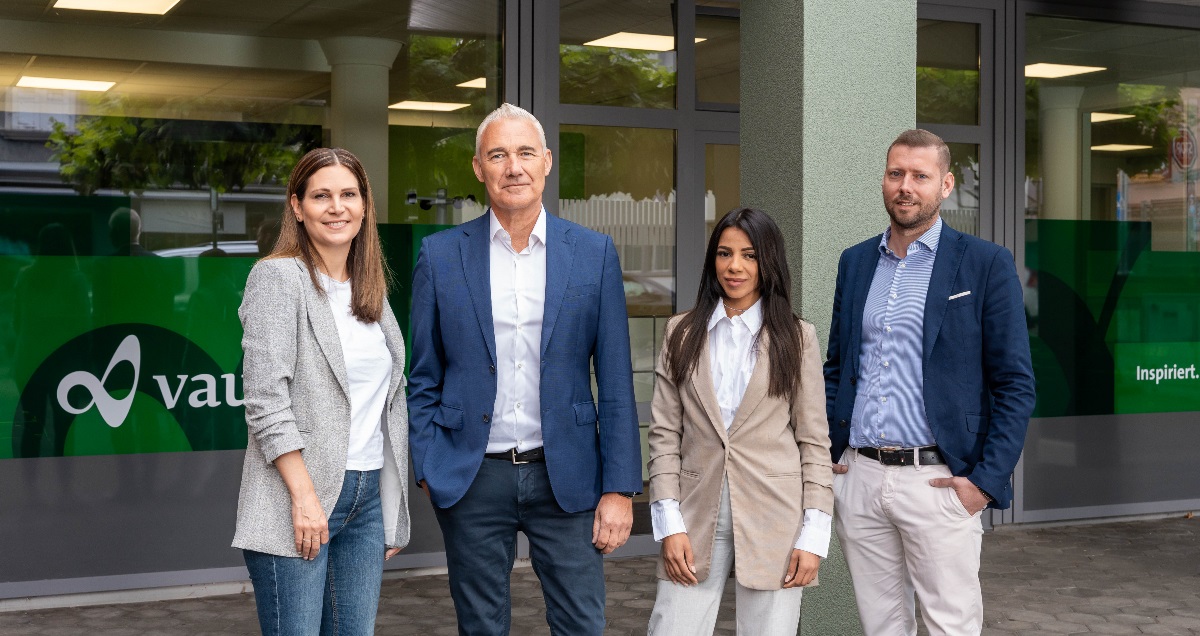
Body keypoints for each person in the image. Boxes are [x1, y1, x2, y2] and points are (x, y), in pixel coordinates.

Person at [407, 103, 643, 636]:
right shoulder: (440, 256)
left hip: (569, 476)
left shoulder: (592, 253)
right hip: (473, 475)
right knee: (481, 626)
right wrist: (428, 462)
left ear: (546, 163)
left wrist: (619, 488)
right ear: (478, 167)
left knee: (582, 623)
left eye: (524, 153)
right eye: (498, 154)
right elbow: (422, 374)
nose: (513, 166)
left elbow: (615, 379)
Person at [824, 129, 1036, 635]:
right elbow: (837, 365)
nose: (905, 186)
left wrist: (983, 483)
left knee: (950, 624)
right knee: (882, 625)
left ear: (945, 185)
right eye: (896, 173)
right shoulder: (856, 262)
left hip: (938, 480)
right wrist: (832, 454)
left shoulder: (984, 263)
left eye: (920, 176)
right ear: (884, 181)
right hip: (861, 477)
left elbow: (1015, 383)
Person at [232, 147, 411, 636]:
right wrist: (306, 497)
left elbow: (389, 402)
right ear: (297, 206)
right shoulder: (277, 278)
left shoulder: (369, 288)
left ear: (365, 205)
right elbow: (266, 401)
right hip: (300, 498)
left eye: (349, 194)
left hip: (366, 496)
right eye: (321, 196)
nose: (337, 207)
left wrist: (390, 504)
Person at [645, 208, 834, 635]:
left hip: (777, 518)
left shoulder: (797, 337)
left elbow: (814, 442)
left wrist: (813, 534)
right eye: (725, 254)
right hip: (692, 514)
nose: (735, 266)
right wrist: (669, 525)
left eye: (749, 255)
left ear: (768, 262)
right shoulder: (681, 333)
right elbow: (663, 436)